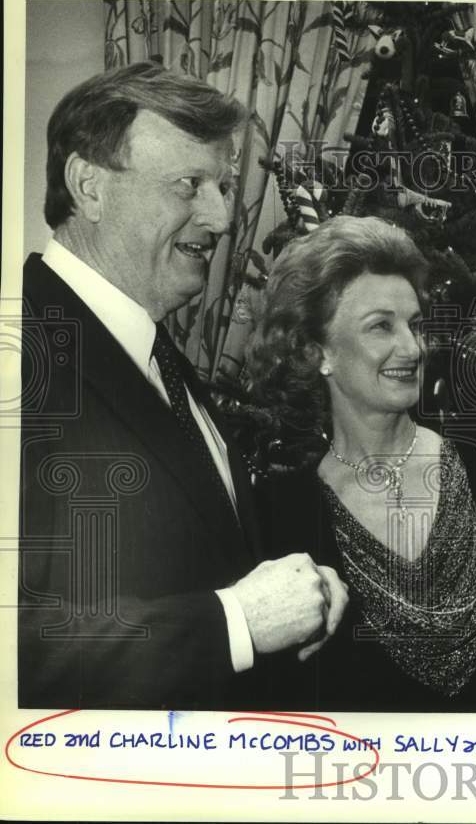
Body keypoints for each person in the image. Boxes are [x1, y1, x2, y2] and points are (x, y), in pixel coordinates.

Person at [19, 62, 348, 709]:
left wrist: (294, 592)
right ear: (88, 186)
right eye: (188, 185)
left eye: (221, 186)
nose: (222, 217)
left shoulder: (155, 351)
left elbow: (192, 545)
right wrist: (234, 623)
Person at [245, 214, 476, 711]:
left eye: (415, 325)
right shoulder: (281, 517)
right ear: (316, 350)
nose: (411, 348)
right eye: (380, 326)